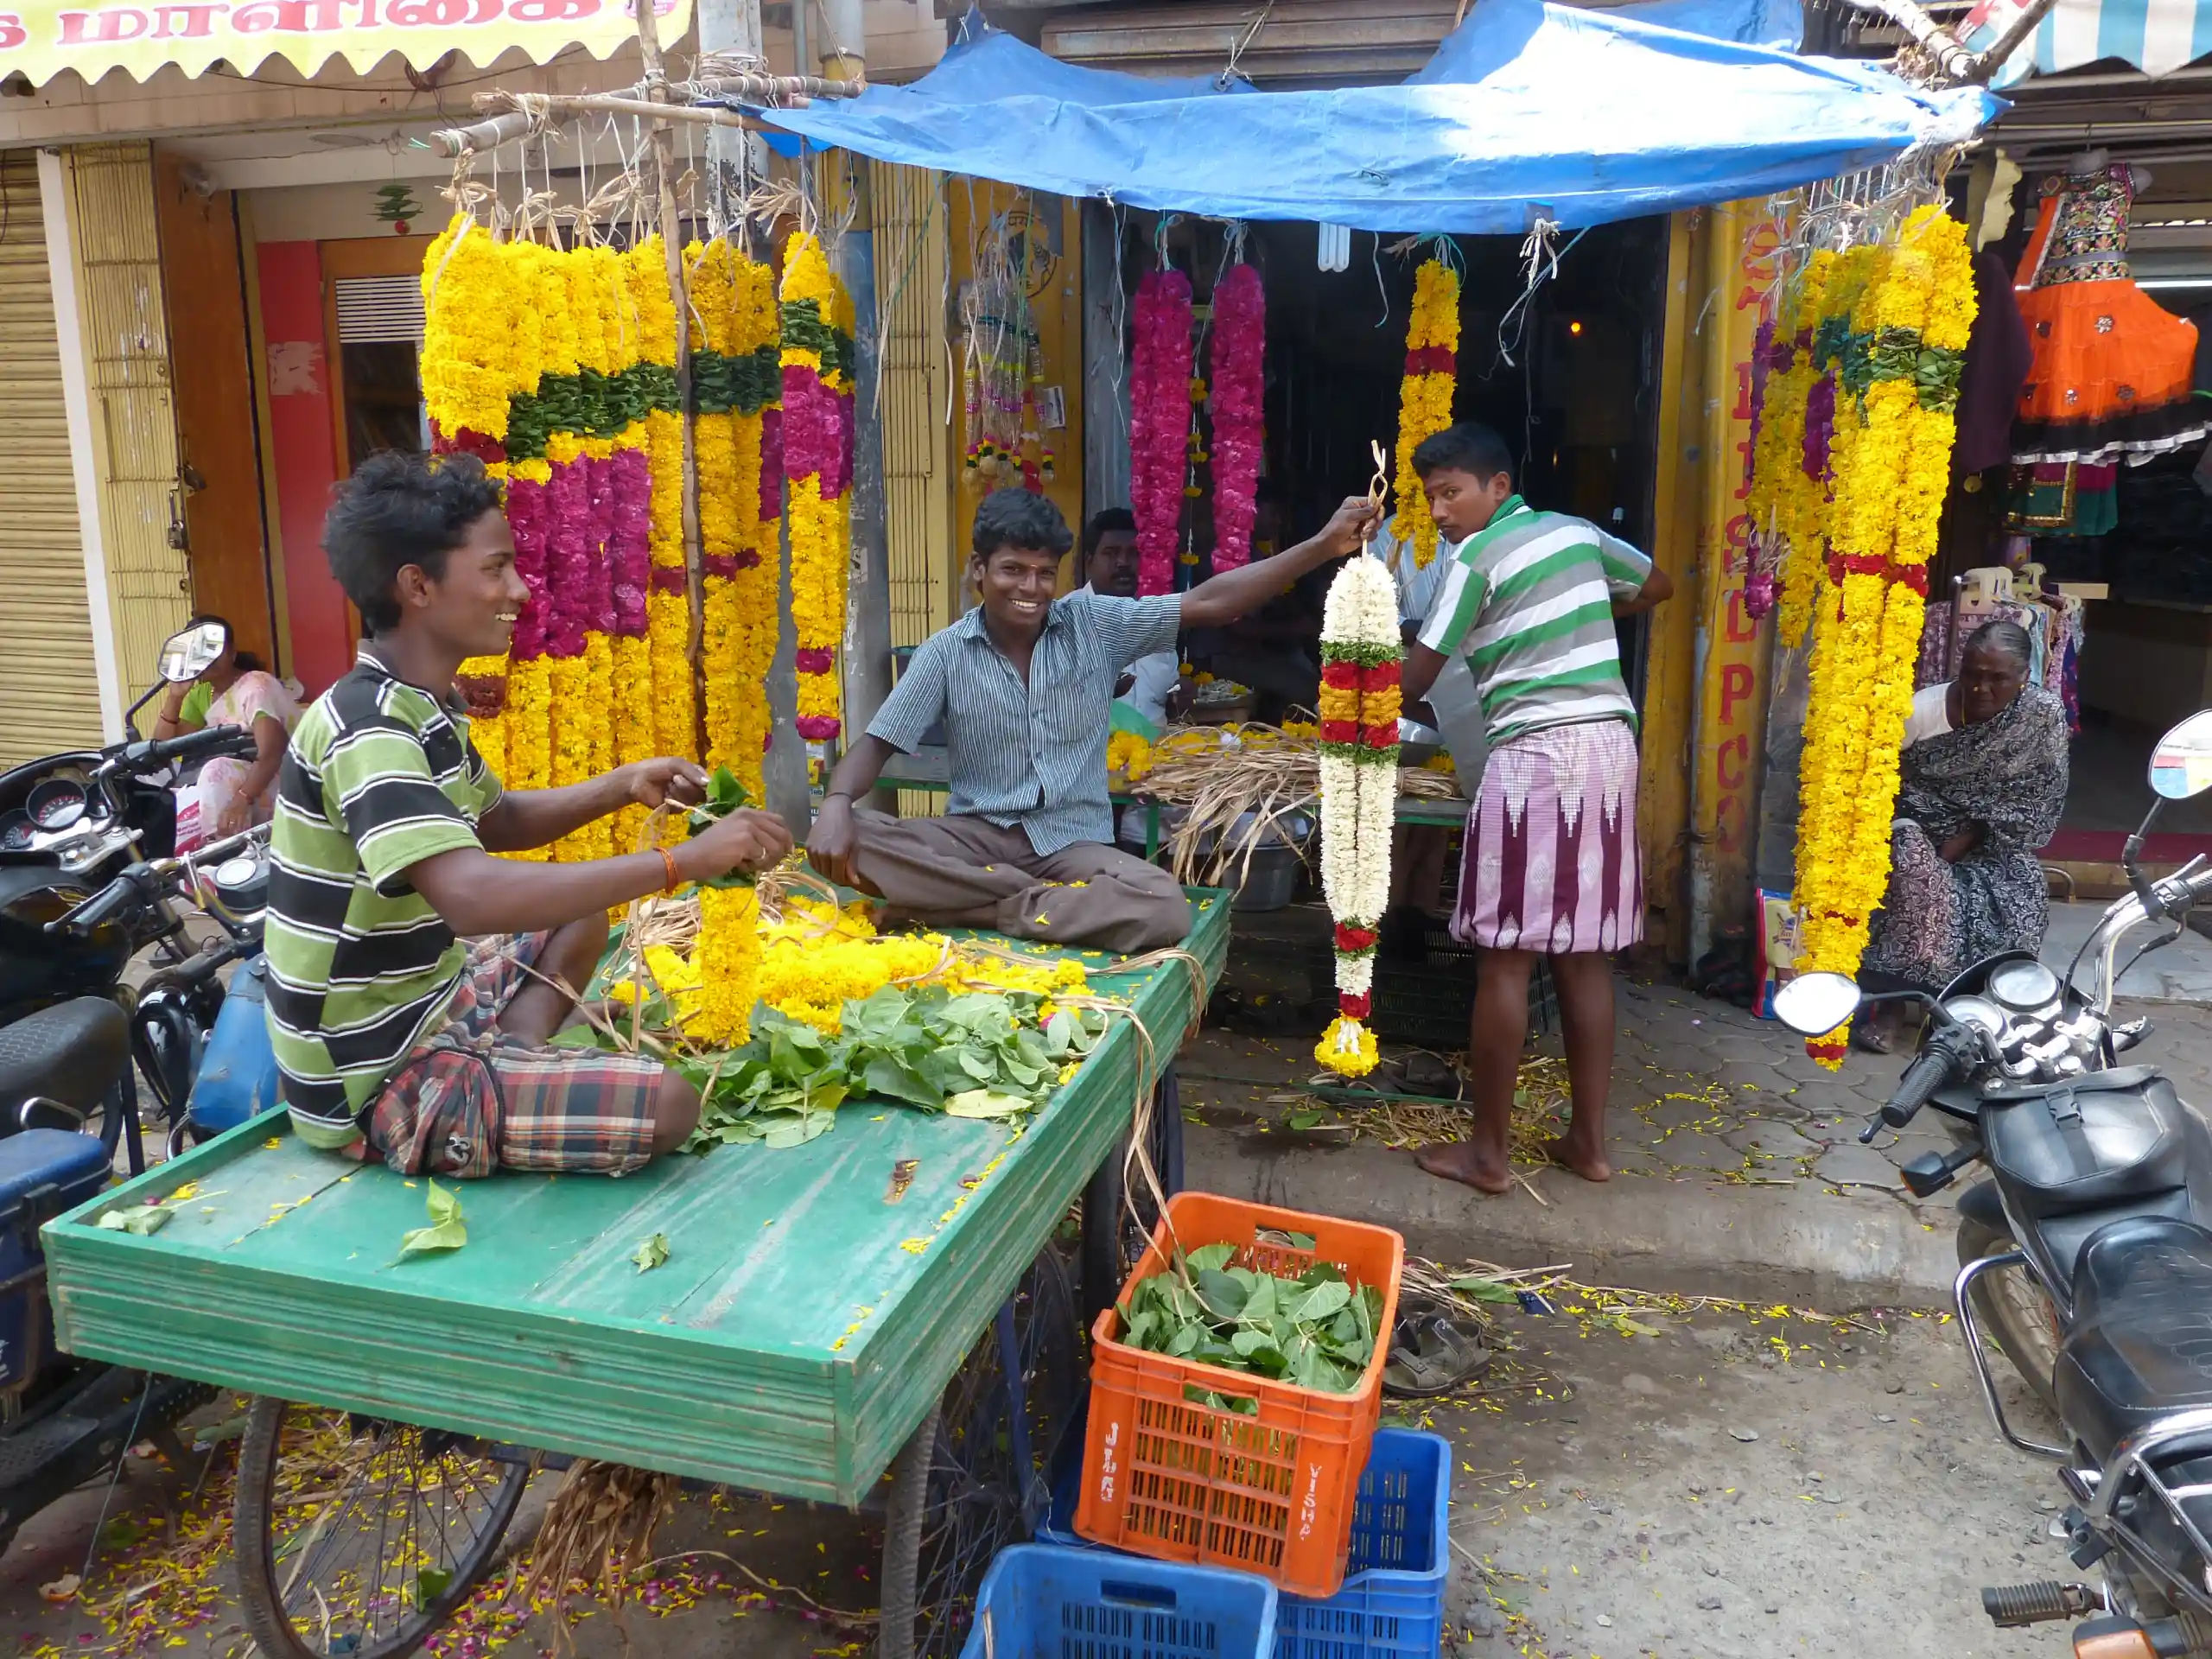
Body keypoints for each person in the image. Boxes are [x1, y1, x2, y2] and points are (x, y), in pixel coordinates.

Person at [266, 452, 791, 1179]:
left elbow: (496, 821)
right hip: (373, 1072)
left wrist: (622, 783)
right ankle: (477, 1087)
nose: (518, 589)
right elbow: (472, 897)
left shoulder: (420, 703)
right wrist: (682, 863)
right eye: (495, 569)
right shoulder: (370, 728)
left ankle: (507, 1061)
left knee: (579, 919)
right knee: (671, 1106)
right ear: (417, 586)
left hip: (431, 994)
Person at [807, 486, 1382, 953]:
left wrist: (1320, 546)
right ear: (979, 569)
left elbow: (1214, 602)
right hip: (976, 836)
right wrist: (835, 807)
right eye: (1012, 570)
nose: (1028, 588)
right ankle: (1026, 902)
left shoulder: (1094, 624)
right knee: (850, 840)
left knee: (1164, 906)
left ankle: (983, 906)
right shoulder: (946, 652)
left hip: (1072, 842)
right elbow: (875, 746)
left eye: (1042, 573)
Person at [1396, 423, 1675, 1192]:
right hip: (1610, 750)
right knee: (1583, 953)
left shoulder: (1474, 558)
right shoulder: (1578, 534)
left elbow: (1417, 678)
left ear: (1498, 487)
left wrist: (1351, 667)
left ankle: (1489, 1154)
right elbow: (1658, 586)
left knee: (1506, 954)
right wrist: (1570, 619)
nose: (1442, 512)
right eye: (1431, 498)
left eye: (1452, 493)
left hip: (1535, 759)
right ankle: (1587, 1145)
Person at [1856, 620, 2069, 1052]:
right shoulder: (1922, 711)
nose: (1981, 688)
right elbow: (1878, 784)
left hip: (1991, 833)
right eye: (1973, 674)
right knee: (1920, 881)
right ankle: (1894, 1004)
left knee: (2021, 887)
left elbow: (2039, 795)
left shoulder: (2042, 716)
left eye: (1997, 678)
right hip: (1913, 823)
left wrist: (1968, 836)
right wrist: (1931, 841)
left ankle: (1984, 1006)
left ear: (2024, 676)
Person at [151, 613, 302, 844]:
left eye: (214, 649)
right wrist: (175, 697)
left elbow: (273, 752)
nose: (207, 658)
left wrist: (242, 799)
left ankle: (220, 851)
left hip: (289, 784)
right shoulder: (201, 695)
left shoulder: (256, 686)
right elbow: (163, 750)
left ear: (232, 652)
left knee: (215, 771)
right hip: (246, 788)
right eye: (200, 651)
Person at [1082, 507, 1186, 729]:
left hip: (1159, 757)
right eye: (1111, 553)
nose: (1123, 562)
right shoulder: (1067, 620)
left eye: (1134, 553)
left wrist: (1178, 695)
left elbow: (1164, 699)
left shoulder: (1157, 618)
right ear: (1089, 563)